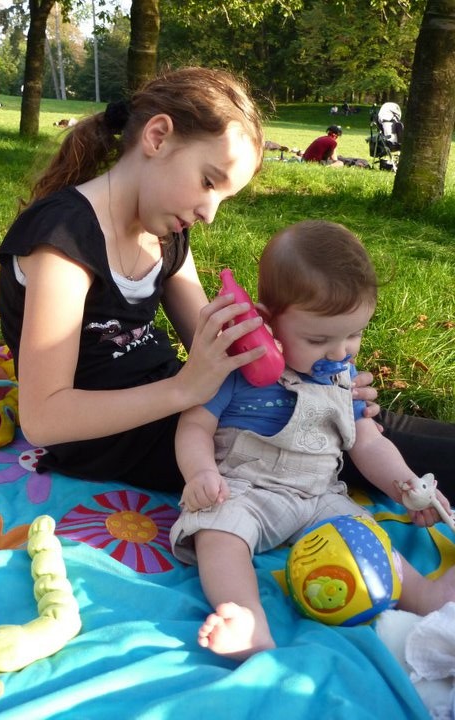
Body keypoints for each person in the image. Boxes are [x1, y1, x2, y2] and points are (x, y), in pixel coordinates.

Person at [0, 65, 453, 498]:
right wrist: (184, 389)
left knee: (366, 421)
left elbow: (221, 343)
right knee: (338, 444)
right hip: (118, 439)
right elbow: (44, 418)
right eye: (209, 183)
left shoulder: (164, 233)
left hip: (180, 404)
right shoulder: (65, 239)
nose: (209, 214)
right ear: (157, 137)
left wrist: (320, 375)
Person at [170, 220, 455, 661]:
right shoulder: (237, 368)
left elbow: (368, 443)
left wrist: (405, 484)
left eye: (353, 335)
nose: (340, 353)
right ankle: (246, 618)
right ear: (266, 321)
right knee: (216, 530)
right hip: (245, 491)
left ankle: (424, 597)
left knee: (367, 539)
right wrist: (201, 473)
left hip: (320, 496)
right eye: (319, 339)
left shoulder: (342, 377)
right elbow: (194, 426)